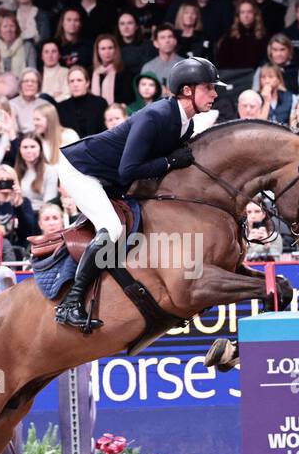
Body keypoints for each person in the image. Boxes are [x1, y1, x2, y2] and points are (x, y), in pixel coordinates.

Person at [53, 56, 224, 329]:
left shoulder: (186, 124)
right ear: (188, 90)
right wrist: (169, 162)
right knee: (112, 227)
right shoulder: (155, 116)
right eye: (209, 87)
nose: (215, 93)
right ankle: (70, 304)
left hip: (109, 176)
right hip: (81, 170)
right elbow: (128, 169)